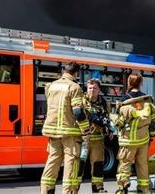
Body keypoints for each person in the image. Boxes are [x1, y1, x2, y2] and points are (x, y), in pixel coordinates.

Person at [41, 62, 88, 194]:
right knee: (71, 164)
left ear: (64, 71)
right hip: (70, 133)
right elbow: (78, 112)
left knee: (52, 162)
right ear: (76, 73)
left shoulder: (51, 86)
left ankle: (46, 191)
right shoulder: (74, 87)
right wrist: (86, 130)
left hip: (53, 132)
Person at [114, 73, 155, 193]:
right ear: (141, 83)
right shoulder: (147, 100)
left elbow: (120, 122)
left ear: (129, 83)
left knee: (125, 163)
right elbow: (154, 120)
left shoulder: (124, 100)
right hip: (143, 140)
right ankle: (144, 188)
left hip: (128, 140)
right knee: (142, 165)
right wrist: (152, 133)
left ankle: (123, 185)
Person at [83, 77, 110, 193]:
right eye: (89, 88)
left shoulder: (104, 103)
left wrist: (109, 129)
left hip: (98, 139)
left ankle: (98, 188)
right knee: (78, 165)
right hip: (83, 139)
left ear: (99, 89)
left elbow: (107, 118)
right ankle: (73, 189)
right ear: (86, 89)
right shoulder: (81, 101)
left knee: (98, 165)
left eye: (94, 88)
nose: (92, 90)